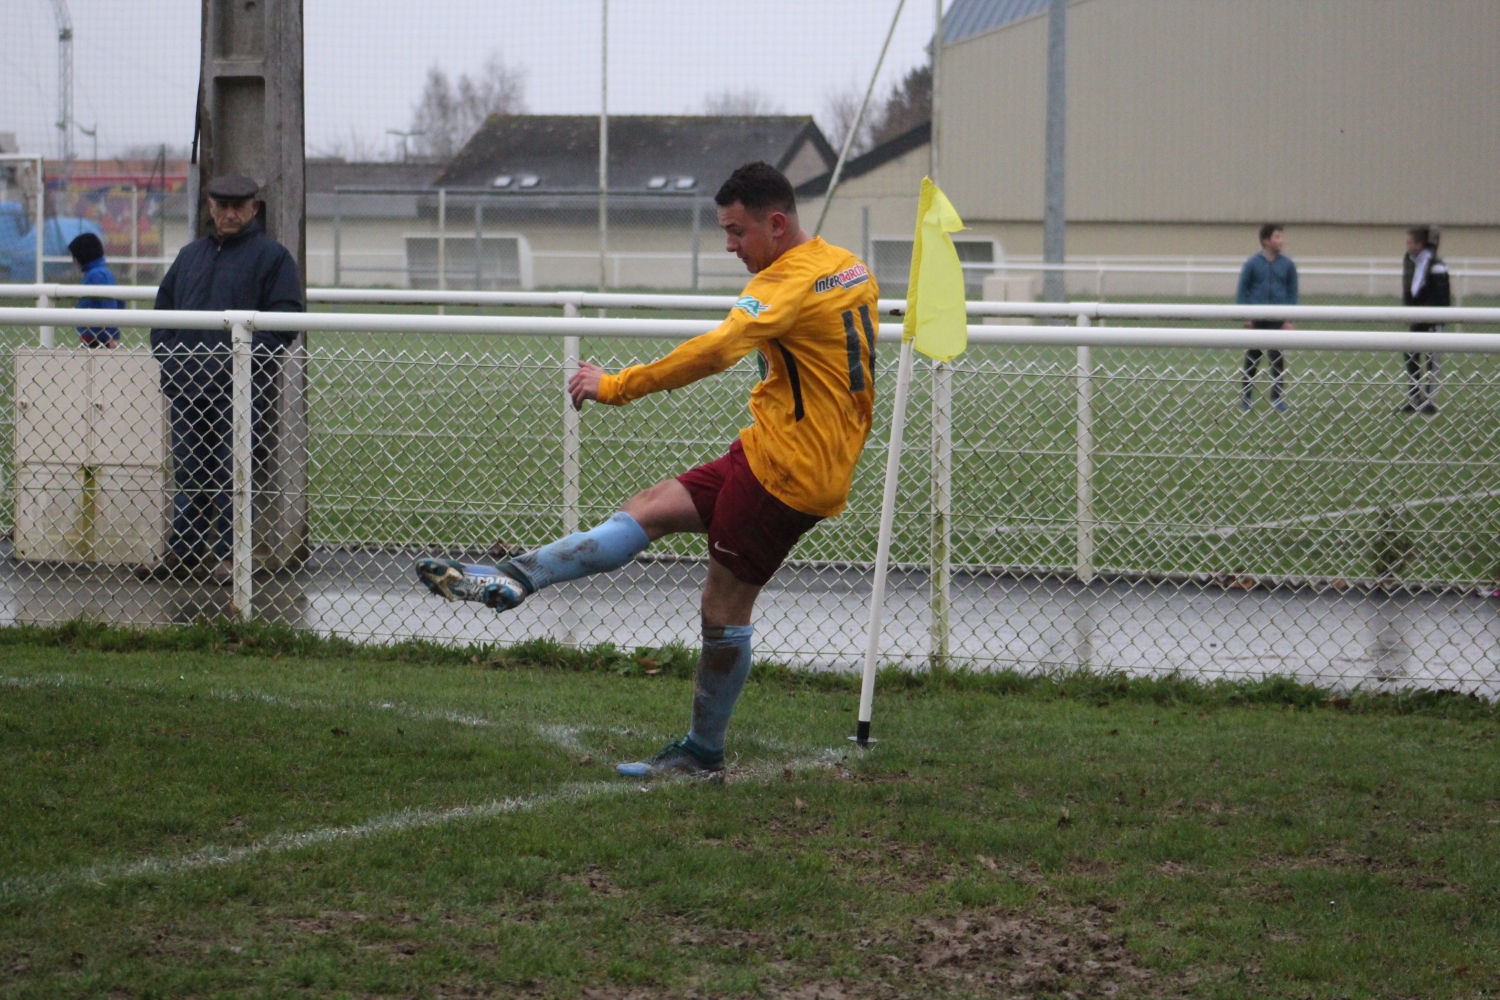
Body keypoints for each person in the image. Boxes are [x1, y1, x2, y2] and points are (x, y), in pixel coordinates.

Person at [415, 161, 879, 780]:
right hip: (774, 451)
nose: (730, 246)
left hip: (787, 476)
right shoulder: (849, 266)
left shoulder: (784, 282)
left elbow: (717, 350)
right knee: (651, 507)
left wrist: (618, 385)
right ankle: (515, 577)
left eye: (737, 231)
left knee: (723, 608)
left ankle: (701, 755)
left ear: (776, 223)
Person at [146, 174, 302, 583]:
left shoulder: (273, 258)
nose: (231, 214)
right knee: (189, 472)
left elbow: (285, 322)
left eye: (239, 206)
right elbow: (162, 316)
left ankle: (232, 558)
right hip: (186, 389)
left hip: (241, 391)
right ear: (211, 208)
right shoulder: (189, 257)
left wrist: (239, 365)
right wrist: (173, 362)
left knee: (235, 475)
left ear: (254, 209)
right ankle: (184, 554)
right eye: (223, 206)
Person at [1235, 223, 1298, 411]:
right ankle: (1246, 397)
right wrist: (1245, 315)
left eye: (1282, 236)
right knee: (1252, 359)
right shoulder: (1252, 263)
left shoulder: (1288, 265)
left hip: (1277, 319)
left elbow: (1292, 293)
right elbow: (1242, 290)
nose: (1281, 240)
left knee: (1277, 359)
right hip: (1257, 319)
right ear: (1266, 240)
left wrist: (1289, 319)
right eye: (1277, 236)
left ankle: (1277, 398)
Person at [1400, 225, 1450, 415]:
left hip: (1431, 321)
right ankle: (1414, 397)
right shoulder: (1410, 261)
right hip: (1416, 320)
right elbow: (1409, 290)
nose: (1407, 245)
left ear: (1420, 244)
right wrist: (1408, 312)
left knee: (1432, 360)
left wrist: (1423, 316)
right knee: (1411, 355)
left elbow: (1440, 297)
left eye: (1410, 242)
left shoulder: (1436, 265)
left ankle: (1429, 400)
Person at [67, 232, 122, 348]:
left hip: (98, 337)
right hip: (93, 336)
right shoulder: (97, 273)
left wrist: (112, 335)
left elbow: (110, 305)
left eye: (75, 257)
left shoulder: (97, 274)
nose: (74, 261)